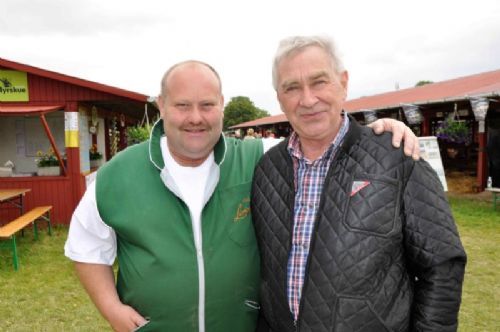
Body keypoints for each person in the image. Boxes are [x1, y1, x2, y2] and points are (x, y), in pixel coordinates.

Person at [65, 60, 419, 332]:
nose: (195, 118)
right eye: (182, 106)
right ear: (161, 105)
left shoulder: (260, 159)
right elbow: (86, 246)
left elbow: (321, 143)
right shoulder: (117, 175)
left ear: (222, 104)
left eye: (206, 105)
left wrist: (379, 133)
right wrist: (111, 308)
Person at [251, 36, 467, 332]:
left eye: (319, 82)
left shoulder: (398, 157)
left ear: (343, 83)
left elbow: (442, 266)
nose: (308, 99)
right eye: (292, 87)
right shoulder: (267, 170)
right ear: (279, 97)